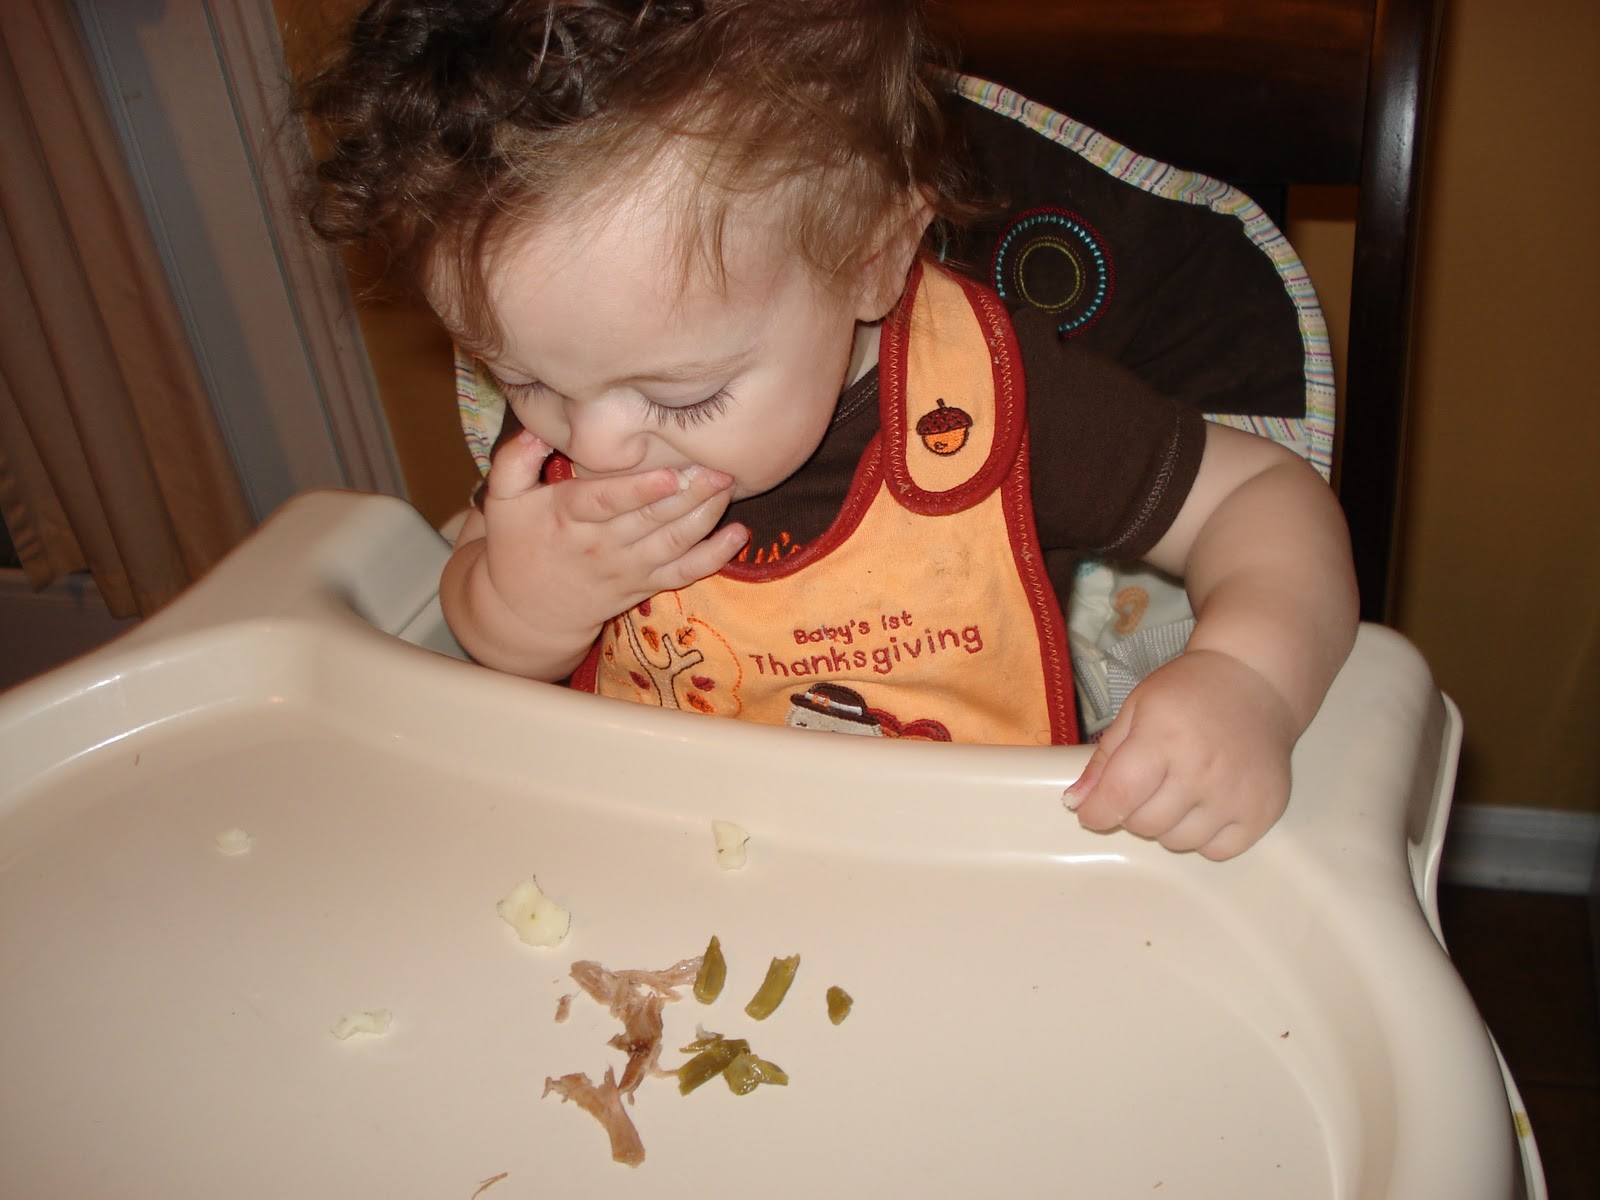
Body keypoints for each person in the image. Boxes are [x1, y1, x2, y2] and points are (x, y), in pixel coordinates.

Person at [299, 0, 1358, 860]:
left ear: (872, 260)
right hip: (661, 863)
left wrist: (1250, 678)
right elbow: (477, 617)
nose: (598, 446)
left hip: (975, 881)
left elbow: (1263, 500)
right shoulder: (585, 404)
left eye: (681, 398)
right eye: (523, 379)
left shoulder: (996, 407)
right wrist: (523, 606)